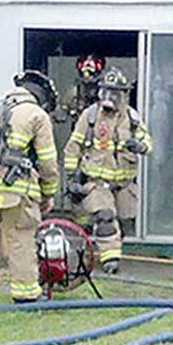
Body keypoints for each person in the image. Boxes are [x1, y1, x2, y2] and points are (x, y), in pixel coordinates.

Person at [0, 70, 60, 305]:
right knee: (20, 239)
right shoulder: (35, 114)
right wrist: (49, 193)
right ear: (41, 97)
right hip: (13, 192)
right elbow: (47, 162)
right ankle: (26, 295)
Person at [63, 66, 153, 274]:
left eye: (116, 92)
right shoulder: (91, 116)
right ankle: (110, 260)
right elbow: (73, 146)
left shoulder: (132, 117)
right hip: (97, 182)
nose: (111, 97)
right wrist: (71, 177)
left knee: (122, 221)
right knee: (105, 217)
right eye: (107, 91)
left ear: (124, 94)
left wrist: (140, 146)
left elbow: (148, 142)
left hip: (124, 185)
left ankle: (109, 249)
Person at [61, 54, 104, 123]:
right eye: (86, 73)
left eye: (91, 73)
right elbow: (61, 114)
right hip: (79, 126)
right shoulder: (74, 91)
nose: (88, 77)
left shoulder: (104, 93)